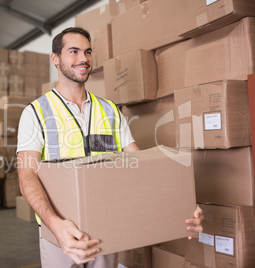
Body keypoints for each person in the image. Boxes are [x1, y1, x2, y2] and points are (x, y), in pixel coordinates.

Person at [16, 27, 203, 268]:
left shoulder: (110, 111)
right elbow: (26, 175)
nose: (83, 59)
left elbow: (142, 166)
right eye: (73, 51)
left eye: (88, 52)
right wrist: (56, 225)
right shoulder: (36, 113)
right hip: (59, 235)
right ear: (55, 58)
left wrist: (181, 203)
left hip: (106, 230)